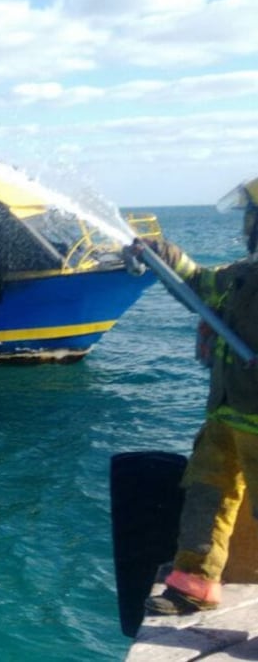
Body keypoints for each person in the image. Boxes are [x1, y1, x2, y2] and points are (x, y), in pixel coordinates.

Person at [139, 177, 258, 616]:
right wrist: (161, 253)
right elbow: (198, 284)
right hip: (227, 415)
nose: (247, 224)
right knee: (207, 493)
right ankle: (195, 583)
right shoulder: (243, 276)